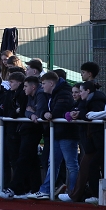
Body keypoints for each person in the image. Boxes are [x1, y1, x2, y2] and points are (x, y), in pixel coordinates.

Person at [28, 71, 78, 200]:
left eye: (44, 84)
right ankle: (45, 190)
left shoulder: (64, 93)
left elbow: (57, 111)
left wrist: (47, 114)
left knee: (71, 164)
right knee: (53, 163)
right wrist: (45, 113)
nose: (42, 86)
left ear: (51, 83)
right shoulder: (53, 94)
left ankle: (74, 192)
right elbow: (45, 111)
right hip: (57, 133)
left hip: (67, 134)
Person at [62, 80, 106, 203]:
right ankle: (85, 194)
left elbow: (91, 114)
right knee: (89, 166)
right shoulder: (84, 101)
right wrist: (73, 113)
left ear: (88, 91)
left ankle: (93, 194)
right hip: (91, 140)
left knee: (92, 166)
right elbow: (76, 113)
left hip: (98, 140)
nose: (78, 94)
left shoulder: (98, 100)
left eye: (80, 91)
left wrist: (79, 113)